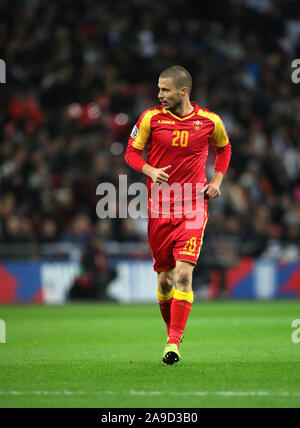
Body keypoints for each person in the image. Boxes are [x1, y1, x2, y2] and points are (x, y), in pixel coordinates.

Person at [125, 65, 231, 365]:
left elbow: (224, 149)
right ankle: (173, 332)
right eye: (158, 89)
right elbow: (131, 153)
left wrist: (217, 182)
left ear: (183, 91)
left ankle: (172, 343)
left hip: (193, 208)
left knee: (184, 274)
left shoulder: (209, 121)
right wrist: (149, 169)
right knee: (165, 283)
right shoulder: (150, 118)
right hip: (159, 209)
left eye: (165, 90)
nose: (159, 95)